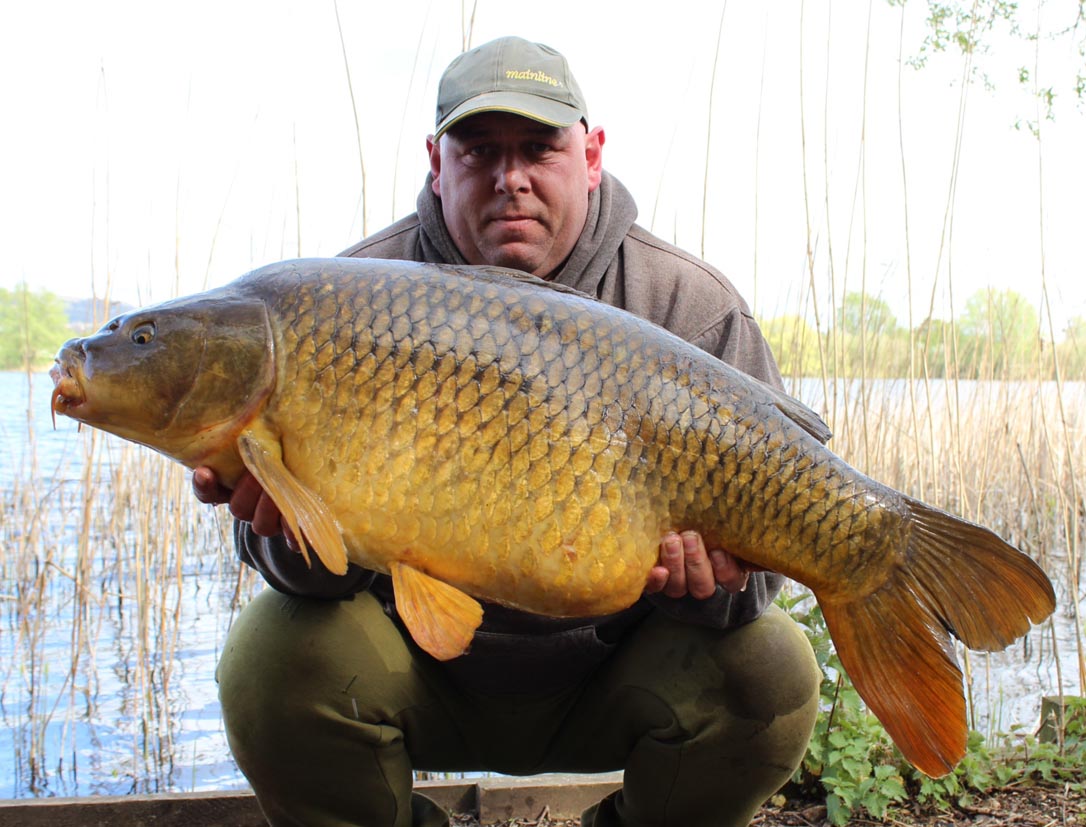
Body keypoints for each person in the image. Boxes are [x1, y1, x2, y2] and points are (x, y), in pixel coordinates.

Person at [195, 36, 821, 827]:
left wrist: (709, 585)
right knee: (269, 655)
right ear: (436, 162)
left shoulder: (689, 309)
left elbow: (756, 592)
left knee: (771, 669)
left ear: (591, 156)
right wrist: (290, 533)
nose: (510, 177)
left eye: (538, 148)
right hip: (415, 672)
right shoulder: (338, 305)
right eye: (480, 150)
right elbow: (289, 571)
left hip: (615, 675)